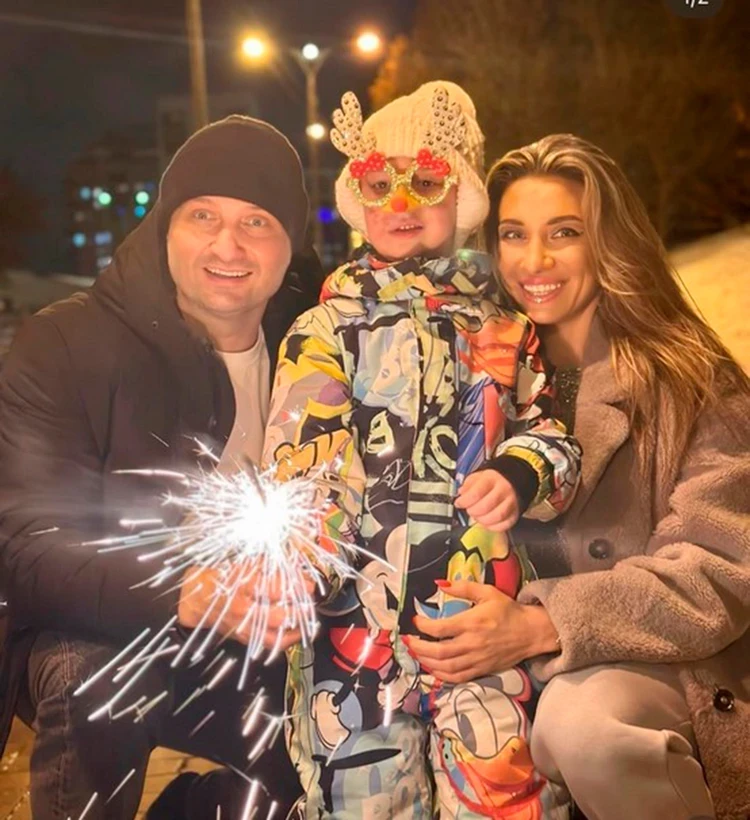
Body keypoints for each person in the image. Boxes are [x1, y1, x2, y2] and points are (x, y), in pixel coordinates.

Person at [406, 133, 750, 820]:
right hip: (486, 679)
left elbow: (717, 571)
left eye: (564, 232)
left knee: (583, 728)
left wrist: (541, 623)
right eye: (513, 234)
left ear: (607, 242)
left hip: (662, 675)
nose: (534, 260)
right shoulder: (467, 381)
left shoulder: (690, 380)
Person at [262, 83, 582, 819]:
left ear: (464, 197)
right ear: (357, 198)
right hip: (351, 638)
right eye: (380, 183)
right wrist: (303, 562)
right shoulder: (324, 330)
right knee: (360, 803)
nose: (401, 201)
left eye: (427, 182)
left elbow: (552, 433)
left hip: (478, 629)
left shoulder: (506, 330)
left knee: (506, 798)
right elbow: (303, 459)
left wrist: (525, 469)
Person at [0, 115, 322, 820]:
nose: (227, 245)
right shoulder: (66, 343)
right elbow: (25, 549)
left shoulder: (318, 347)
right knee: (99, 685)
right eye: (203, 215)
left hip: (257, 637)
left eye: (257, 222)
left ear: (290, 244)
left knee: (332, 744)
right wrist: (182, 590)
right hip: (99, 625)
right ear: (165, 227)